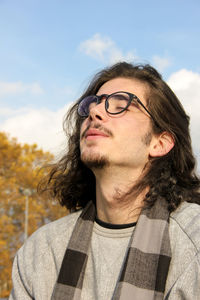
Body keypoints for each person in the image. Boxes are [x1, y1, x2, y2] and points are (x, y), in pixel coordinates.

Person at [10, 62, 200, 300]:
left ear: (159, 143)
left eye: (121, 106)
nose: (94, 112)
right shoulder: (42, 251)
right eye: (92, 105)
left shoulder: (194, 241)